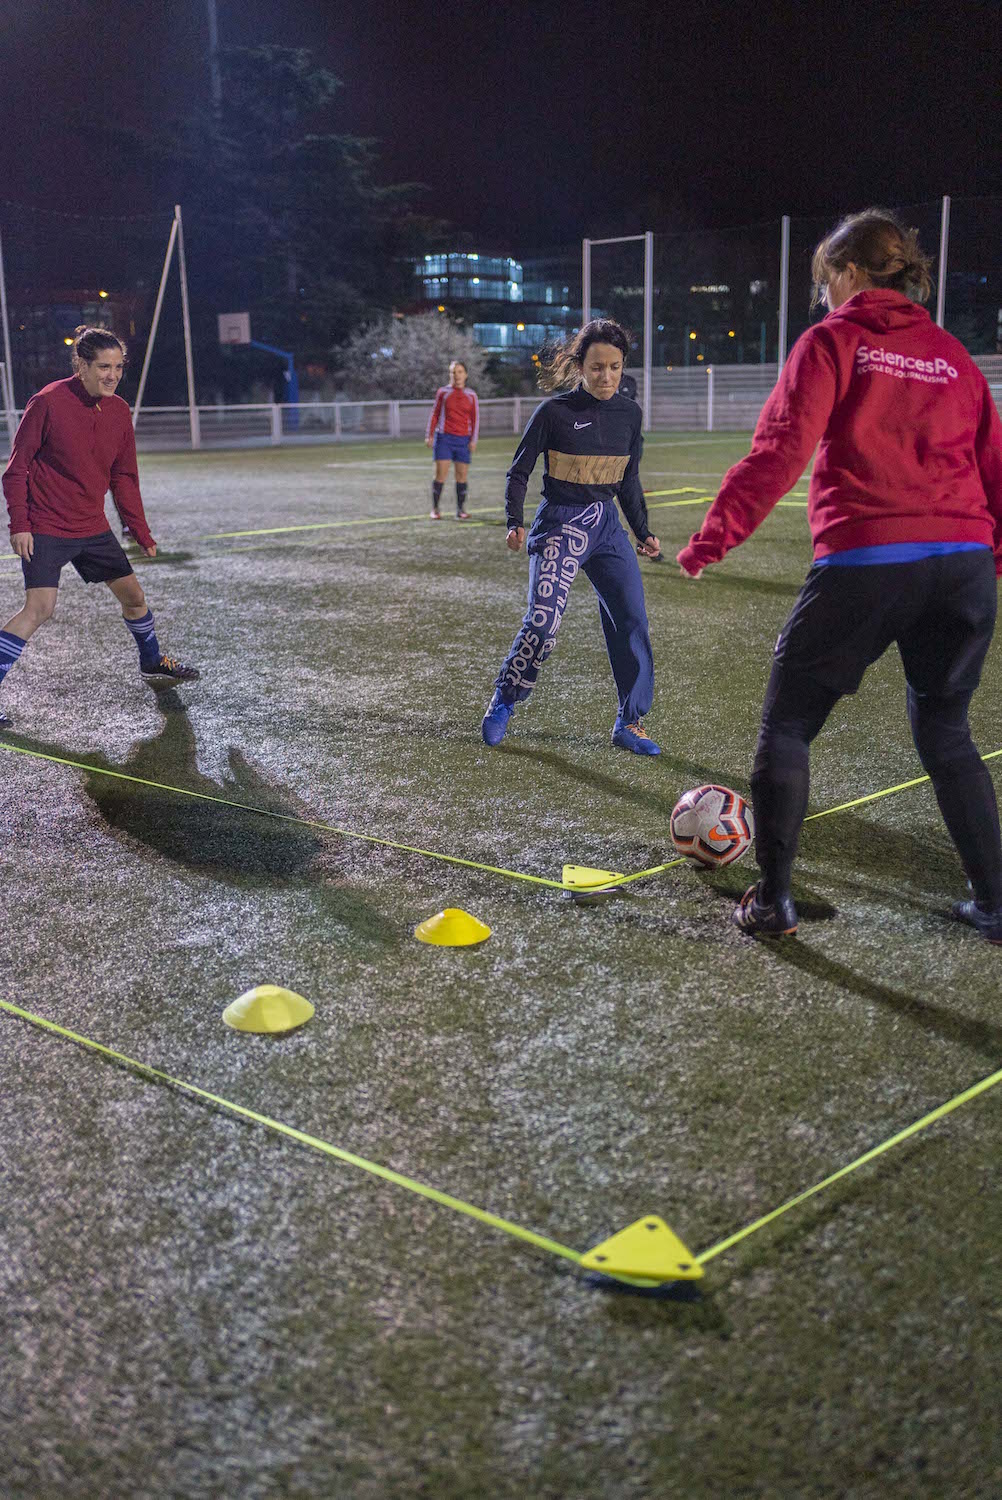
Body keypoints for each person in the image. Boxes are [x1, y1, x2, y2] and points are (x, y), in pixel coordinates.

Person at [677, 208, 1002, 941]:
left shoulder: (835, 339)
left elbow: (779, 451)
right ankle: (995, 903)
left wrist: (709, 541)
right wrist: (990, 564)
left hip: (870, 560)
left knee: (788, 724)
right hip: (964, 567)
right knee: (948, 733)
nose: (824, 295)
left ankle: (773, 903)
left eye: (826, 280)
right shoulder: (953, 355)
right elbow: (995, 470)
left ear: (850, 272)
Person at [0, 326, 200, 729]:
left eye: (118, 367)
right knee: (39, 609)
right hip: (47, 527)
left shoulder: (119, 410)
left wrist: (140, 532)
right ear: (82, 365)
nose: (112, 375)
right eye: (103, 367)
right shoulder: (49, 402)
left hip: (92, 527)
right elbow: (16, 468)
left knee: (134, 597)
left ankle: (151, 661)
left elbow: (124, 476)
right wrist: (20, 523)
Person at [481, 318, 662, 753]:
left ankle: (629, 722)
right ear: (581, 365)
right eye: (598, 367)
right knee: (543, 622)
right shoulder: (554, 413)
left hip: (605, 527)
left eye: (615, 367)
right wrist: (514, 521)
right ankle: (506, 695)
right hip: (561, 523)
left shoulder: (630, 415)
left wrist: (643, 531)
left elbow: (628, 481)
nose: (607, 377)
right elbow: (519, 471)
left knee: (632, 620)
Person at [425, 359, 479, 519]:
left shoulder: (471, 395)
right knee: (440, 475)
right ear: (450, 374)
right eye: (453, 372)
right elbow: (435, 414)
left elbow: (475, 419)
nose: (457, 375)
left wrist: (473, 440)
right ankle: (435, 509)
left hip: (463, 441)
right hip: (444, 439)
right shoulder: (443, 392)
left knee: (461, 476)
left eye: (460, 372)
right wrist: (430, 435)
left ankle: (460, 510)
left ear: (466, 374)